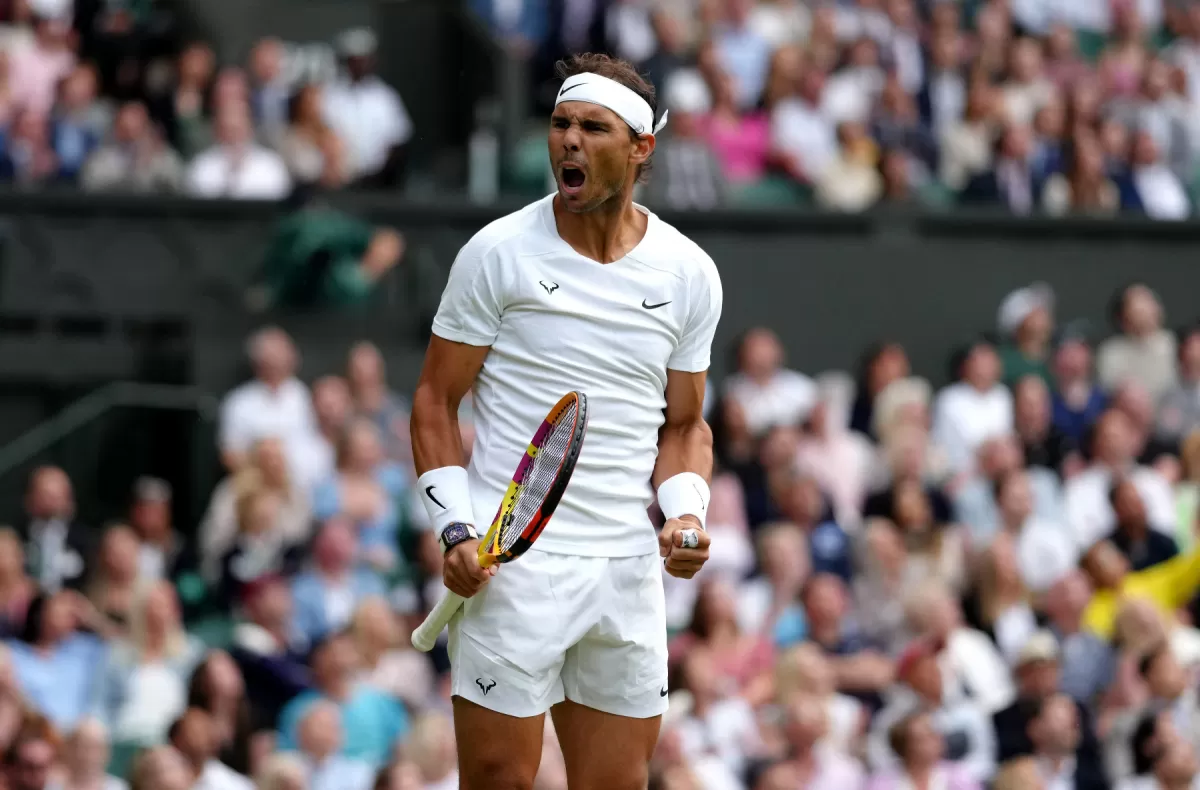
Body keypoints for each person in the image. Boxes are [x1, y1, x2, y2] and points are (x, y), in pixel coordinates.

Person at [410, 53, 722, 790]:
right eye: (560, 124)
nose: (568, 141)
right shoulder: (496, 255)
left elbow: (684, 427)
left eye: (592, 126)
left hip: (625, 573)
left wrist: (685, 513)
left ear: (640, 148)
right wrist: (454, 528)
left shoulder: (688, 273)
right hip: (512, 570)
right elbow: (433, 402)